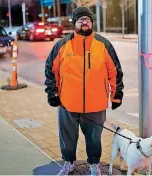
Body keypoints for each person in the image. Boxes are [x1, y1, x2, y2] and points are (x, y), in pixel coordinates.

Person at [44, 6, 124, 176]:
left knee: (94, 139)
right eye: (81, 19)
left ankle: (94, 165)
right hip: (68, 103)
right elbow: (51, 69)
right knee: (67, 137)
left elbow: (115, 72)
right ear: (75, 23)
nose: (85, 22)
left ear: (92, 23)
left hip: (96, 105)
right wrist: (53, 93)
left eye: (88, 19)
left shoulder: (103, 44)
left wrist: (116, 96)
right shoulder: (63, 45)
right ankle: (68, 163)